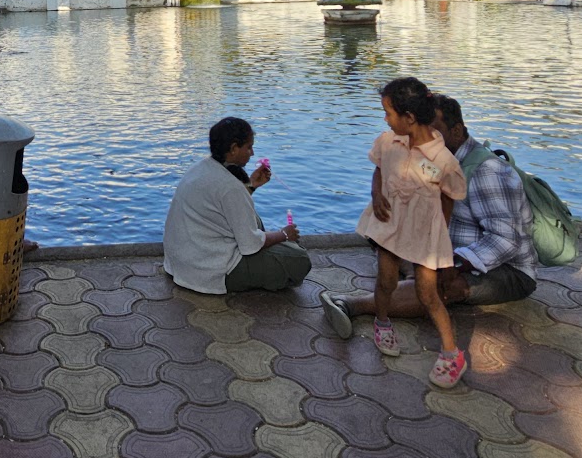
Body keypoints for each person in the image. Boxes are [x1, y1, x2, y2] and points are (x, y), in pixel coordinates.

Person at [325, 94, 536, 336]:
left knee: (438, 285)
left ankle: (351, 305)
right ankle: (413, 279)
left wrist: (452, 265)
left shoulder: (488, 172)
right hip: (451, 249)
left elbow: (505, 241)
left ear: (456, 131)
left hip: (506, 270)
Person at [325, 76, 469, 388]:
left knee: (427, 293)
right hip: (391, 224)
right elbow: (379, 170)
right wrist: (376, 195)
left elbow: (449, 197)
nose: (385, 118)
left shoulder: (441, 159)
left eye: (388, 113)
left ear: (409, 118)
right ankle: (382, 321)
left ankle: (451, 352)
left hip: (423, 231)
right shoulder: (388, 141)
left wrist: (440, 238)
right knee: (386, 280)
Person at [163, 117, 310, 294]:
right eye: (248, 147)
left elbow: (224, 207)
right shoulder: (230, 186)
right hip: (209, 271)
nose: (252, 153)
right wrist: (284, 234)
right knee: (299, 259)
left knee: (256, 222)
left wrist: (251, 186)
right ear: (233, 149)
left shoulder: (201, 168)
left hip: (182, 264)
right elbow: (250, 245)